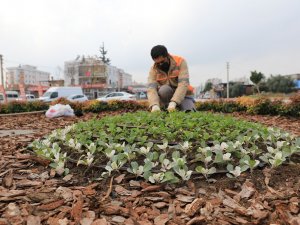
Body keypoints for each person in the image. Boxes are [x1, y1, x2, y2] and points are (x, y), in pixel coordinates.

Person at [147, 45, 196, 112]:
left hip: (184, 94)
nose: (160, 64)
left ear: (167, 55)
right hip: (167, 95)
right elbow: (151, 88)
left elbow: (183, 84)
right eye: (158, 63)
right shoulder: (154, 69)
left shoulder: (180, 62)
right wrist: (154, 104)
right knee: (164, 90)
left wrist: (174, 102)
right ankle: (167, 108)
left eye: (162, 61)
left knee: (189, 111)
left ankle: (176, 106)